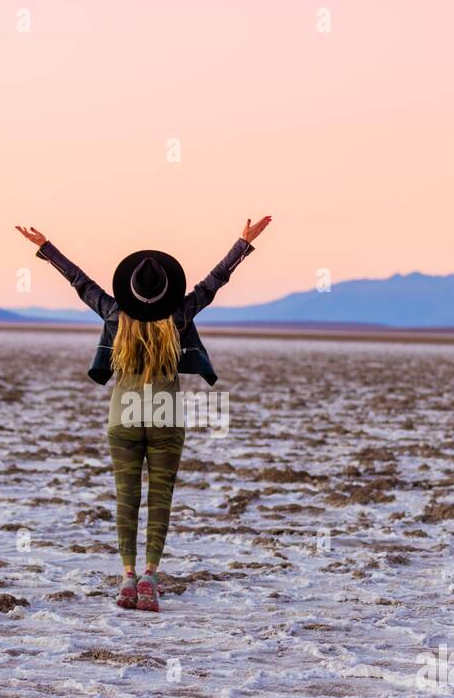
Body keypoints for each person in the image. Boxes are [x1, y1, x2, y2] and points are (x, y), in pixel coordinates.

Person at [15, 217, 272, 611]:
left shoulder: (116, 317)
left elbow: (81, 284)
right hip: (166, 415)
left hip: (124, 417)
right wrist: (243, 243)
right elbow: (212, 284)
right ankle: (151, 576)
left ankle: (128, 578)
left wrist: (46, 247)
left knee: (126, 497)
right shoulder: (177, 318)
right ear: (167, 290)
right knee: (160, 497)